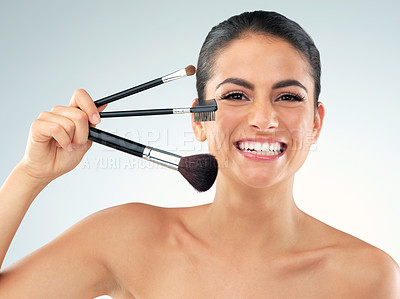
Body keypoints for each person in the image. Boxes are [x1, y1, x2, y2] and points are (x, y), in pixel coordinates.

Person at [0, 10, 399, 298]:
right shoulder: (128, 238)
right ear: (198, 120)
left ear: (315, 122)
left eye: (289, 96)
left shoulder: (368, 276)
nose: (264, 118)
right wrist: (30, 175)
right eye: (236, 95)